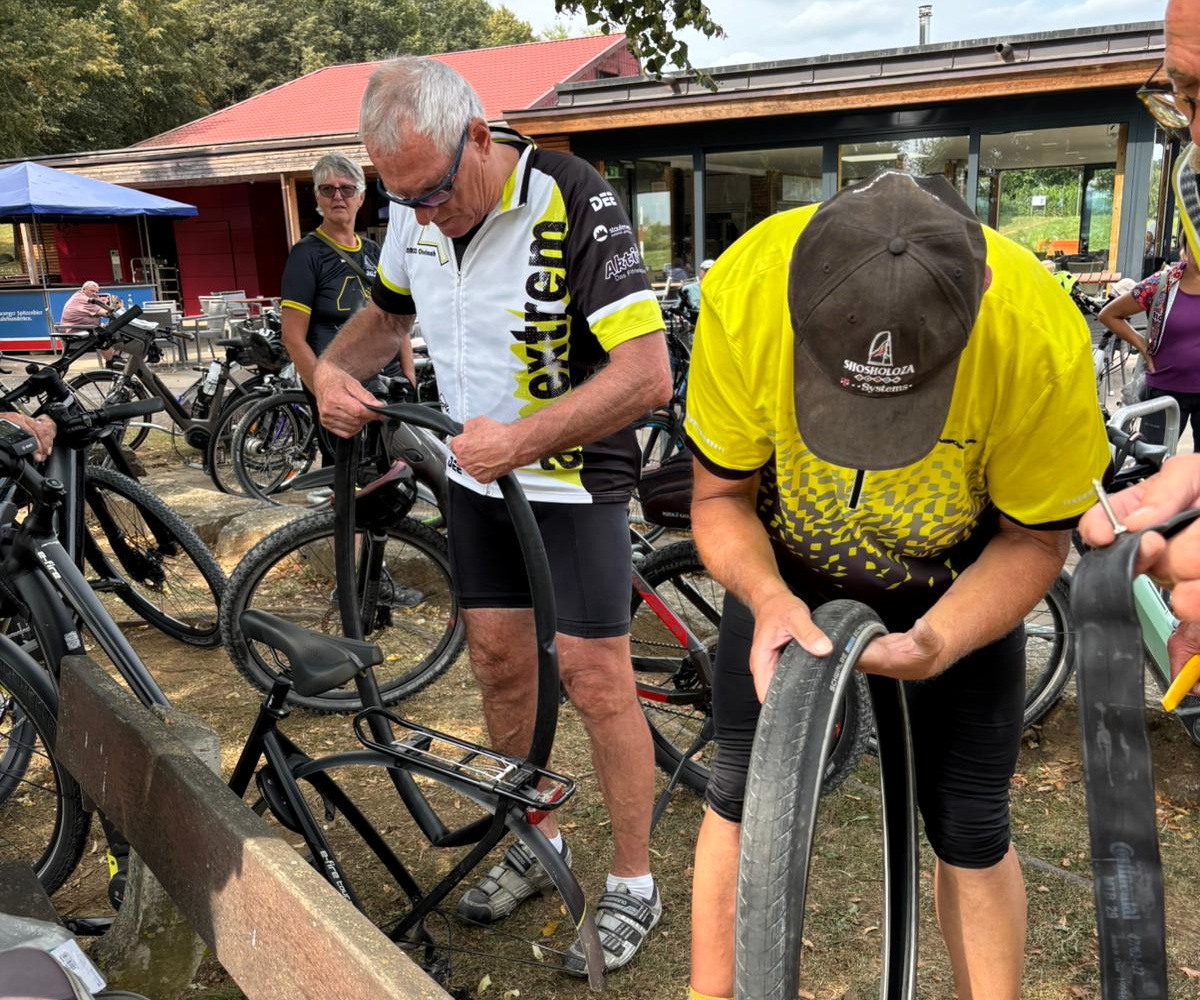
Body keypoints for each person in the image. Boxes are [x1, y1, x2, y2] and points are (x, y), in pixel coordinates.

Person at [683, 169, 1109, 1000]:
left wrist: (940, 639)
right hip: (786, 571)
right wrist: (768, 599)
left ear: (979, 291)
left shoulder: (1038, 337)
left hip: (956, 579)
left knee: (970, 823)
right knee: (737, 791)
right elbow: (719, 495)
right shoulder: (746, 288)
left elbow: (1034, 539)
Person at [310, 56, 672, 974]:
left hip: (573, 478)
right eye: (403, 200)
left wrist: (520, 440)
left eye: (433, 191)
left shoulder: (571, 195)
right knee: (502, 667)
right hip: (475, 480)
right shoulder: (408, 205)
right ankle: (529, 835)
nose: (422, 215)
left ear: (480, 134)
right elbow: (385, 323)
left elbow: (646, 375)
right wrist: (330, 376)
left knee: (592, 676)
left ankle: (633, 882)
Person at [1078, 0, 1200, 688]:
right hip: (1168, 389)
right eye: (1184, 98)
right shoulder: (1167, 282)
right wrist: (1147, 351)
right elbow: (1112, 311)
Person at [279, 154, 395, 476]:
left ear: (361, 196)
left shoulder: (373, 251)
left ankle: (383, 530)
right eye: (327, 189)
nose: (338, 196)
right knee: (347, 476)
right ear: (317, 198)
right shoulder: (306, 254)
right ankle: (351, 529)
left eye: (347, 188)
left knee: (387, 472)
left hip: (383, 382)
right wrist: (324, 391)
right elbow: (292, 336)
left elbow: (392, 318)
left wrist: (409, 376)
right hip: (336, 381)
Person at [1099, 243, 1200, 444]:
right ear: (1185, 246)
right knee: (1152, 465)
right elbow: (1109, 314)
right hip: (1165, 389)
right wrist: (1143, 347)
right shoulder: (1163, 283)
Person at [59, 281, 119, 363]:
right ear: (83, 289)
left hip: (78, 328)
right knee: (106, 334)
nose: (95, 293)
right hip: (77, 331)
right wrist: (116, 307)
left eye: (96, 292)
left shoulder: (79, 296)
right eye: (92, 291)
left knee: (109, 331)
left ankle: (114, 358)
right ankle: (111, 362)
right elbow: (107, 314)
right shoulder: (85, 300)